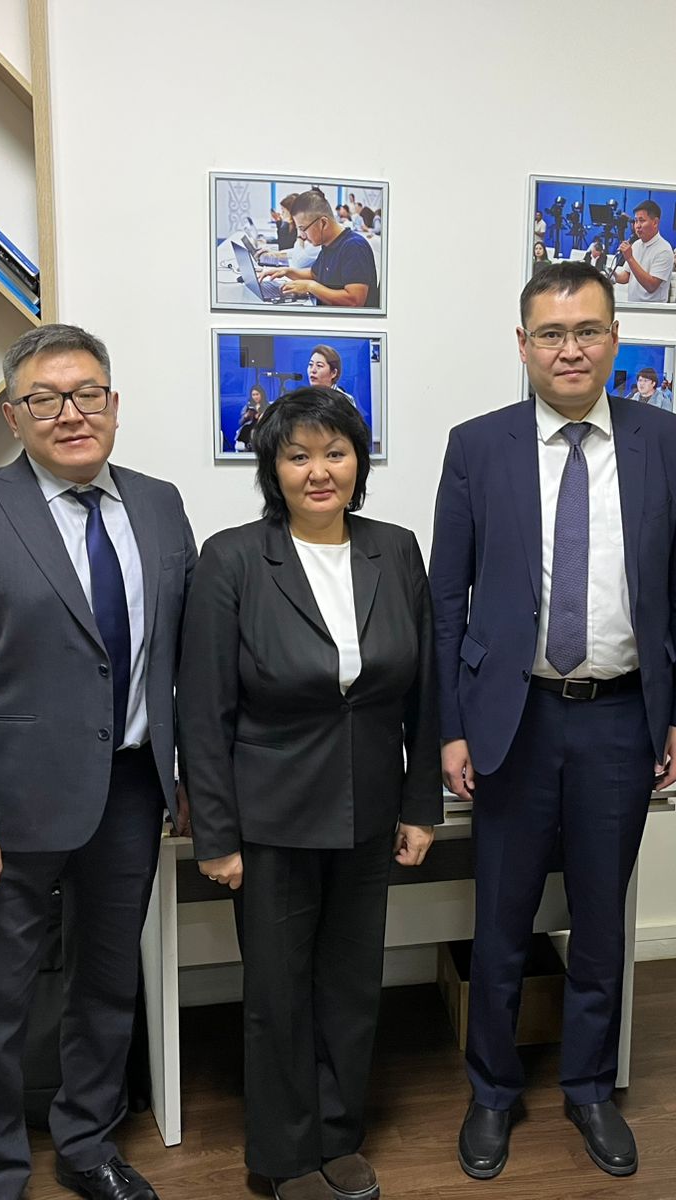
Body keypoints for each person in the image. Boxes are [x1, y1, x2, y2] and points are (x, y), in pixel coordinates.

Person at [431, 260, 676, 1180]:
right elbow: (446, 600)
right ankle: (492, 1091)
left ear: (615, 339)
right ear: (523, 345)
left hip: (622, 720)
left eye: (588, 331)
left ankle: (590, 1087)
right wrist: (452, 726)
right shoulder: (478, 446)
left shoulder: (668, 442)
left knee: (599, 920)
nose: (571, 349)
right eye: (551, 334)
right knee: (502, 920)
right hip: (514, 720)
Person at [0, 324, 196, 1200]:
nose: (71, 413)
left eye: (87, 394)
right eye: (45, 398)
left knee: (107, 986)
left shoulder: (160, 504)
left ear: (114, 403)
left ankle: (86, 1144)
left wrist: (190, 777)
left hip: (133, 791)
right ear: (12, 415)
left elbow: (183, 656)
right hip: (10, 806)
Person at [178, 388, 441, 1200]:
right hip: (272, 819)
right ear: (274, 469)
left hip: (370, 810)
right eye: (298, 456)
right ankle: (284, 1155)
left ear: (359, 463)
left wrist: (420, 805)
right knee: (278, 992)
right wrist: (216, 836)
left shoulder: (395, 549)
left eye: (335, 453)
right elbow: (204, 708)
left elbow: (424, 691)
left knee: (353, 984)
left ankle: (337, 1132)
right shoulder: (232, 559)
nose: (319, 471)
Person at [264, 190, 379, 307]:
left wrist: (310, 286)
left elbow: (355, 301)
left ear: (323, 223)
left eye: (303, 229)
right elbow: (314, 274)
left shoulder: (354, 247)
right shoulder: (328, 243)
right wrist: (287, 271)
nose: (303, 236)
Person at [613, 198, 676, 303]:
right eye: (636, 221)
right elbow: (627, 276)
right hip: (632, 305)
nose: (637, 226)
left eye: (642, 220)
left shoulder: (664, 250)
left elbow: (651, 286)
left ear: (655, 222)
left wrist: (630, 258)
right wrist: (613, 276)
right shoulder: (636, 245)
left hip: (652, 309)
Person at [236, 383, 270, 451]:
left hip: (263, 428)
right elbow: (240, 423)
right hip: (249, 428)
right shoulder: (248, 406)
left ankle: (255, 447)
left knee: (255, 431)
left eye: (257, 394)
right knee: (251, 431)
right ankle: (250, 446)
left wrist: (261, 416)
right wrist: (245, 416)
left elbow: (271, 420)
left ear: (261, 395)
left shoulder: (267, 406)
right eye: (253, 395)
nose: (255, 397)